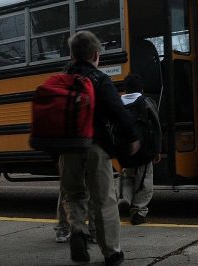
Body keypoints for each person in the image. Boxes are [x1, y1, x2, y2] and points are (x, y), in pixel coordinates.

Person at [58, 31, 139, 266]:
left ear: (72, 54)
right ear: (95, 55)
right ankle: (112, 252)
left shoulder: (62, 79)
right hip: (96, 147)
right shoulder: (99, 79)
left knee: (73, 195)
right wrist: (132, 137)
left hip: (67, 149)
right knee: (104, 199)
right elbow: (118, 111)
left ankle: (77, 231)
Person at [118, 73, 162, 225]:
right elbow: (156, 126)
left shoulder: (118, 103)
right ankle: (139, 211)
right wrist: (157, 149)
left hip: (125, 151)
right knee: (144, 180)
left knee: (127, 176)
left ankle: (125, 199)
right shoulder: (146, 102)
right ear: (141, 88)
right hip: (144, 150)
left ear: (125, 89)